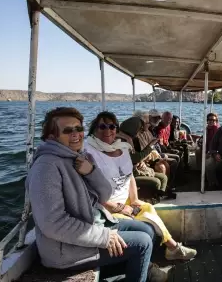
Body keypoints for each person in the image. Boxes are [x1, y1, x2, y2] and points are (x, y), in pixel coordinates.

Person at [26, 107, 159, 282]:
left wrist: (91, 171)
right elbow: (53, 224)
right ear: (51, 136)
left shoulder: (76, 156)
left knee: (147, 229)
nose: (76, 134)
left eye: (78, 128)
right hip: (66, 249)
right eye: (68, 130)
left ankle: (137, 271)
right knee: (142, 243)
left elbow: (105, 194)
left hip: (95, 224)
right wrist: (103, 237)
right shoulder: (46, 167)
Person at [85, 112, 197, 261]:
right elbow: (90, 192)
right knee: (143, 226)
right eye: (102, 126)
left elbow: (129, 175)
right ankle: (167, 252)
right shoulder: (89, 153)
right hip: (107, 208)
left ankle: (171, 248)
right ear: (94, 129)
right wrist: (119, 208)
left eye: (112, 126)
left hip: (126, 201)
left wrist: (135, 199)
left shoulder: (121, 147)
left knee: (148, 208)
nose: (108, 130)